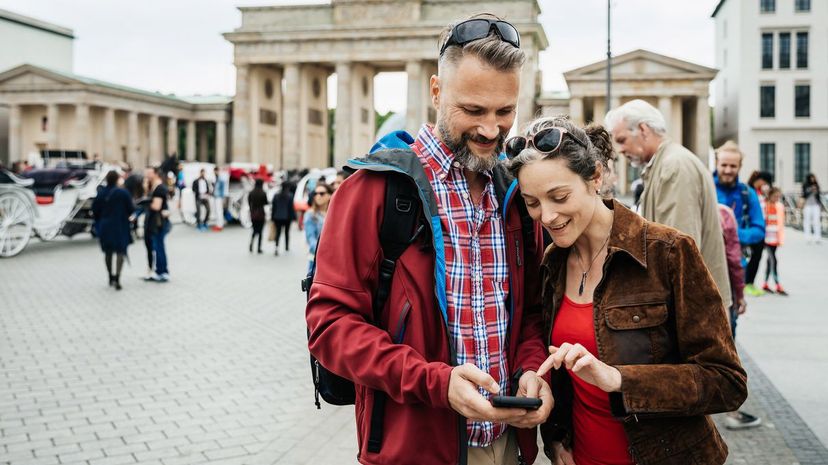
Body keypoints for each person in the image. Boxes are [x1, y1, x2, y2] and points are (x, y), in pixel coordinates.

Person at [306, 15, 551, 465]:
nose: (491, 130)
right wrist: (433, 381)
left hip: (507, 445)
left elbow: (530, 314)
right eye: (473, 111)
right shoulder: (373, 190)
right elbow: (329, 326)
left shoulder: (516, 194)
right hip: (415, 446)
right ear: (436, 92)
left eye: (505, 112)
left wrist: (532, 371)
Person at [505, 116, 747, 465]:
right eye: (532, 202)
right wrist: (556, 440)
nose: (547, 215)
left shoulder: (669, 252)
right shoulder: (552, 263)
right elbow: (557, 372)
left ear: (596, 177)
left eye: (559, 196)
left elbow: (727, 381)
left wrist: (618, 379)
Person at [605, 99, 732, 311]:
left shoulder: (674, 167)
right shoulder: (670, 163)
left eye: (622, 139)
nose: (620, 150)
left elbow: (678, 252)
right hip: (693, 303)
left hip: (693, 307)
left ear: (643, 130)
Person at [713, 141, 766, 297]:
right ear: (717, 163)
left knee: (731, 317)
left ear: (740, 167)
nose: (728, 170)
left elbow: (759, 229)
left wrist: (733, 235)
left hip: (734, 267)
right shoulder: (704, 187)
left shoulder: (747, 193)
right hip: (706, 264)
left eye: (733, 166)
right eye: (724, 165)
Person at [92, 170, 135, 290]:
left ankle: (110, 276)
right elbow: (131, 209)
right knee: (120, 252)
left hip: (105, 226)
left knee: (108, 252)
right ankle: (118, 277)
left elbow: (95, 210)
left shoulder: (101, 193)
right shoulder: (123, 193)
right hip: (120, 226)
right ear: (117, 179)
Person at [144, 166, 171, 282]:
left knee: (158, 246)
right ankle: (160, 271)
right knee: (158, 246)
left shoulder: (159, 188)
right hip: (158, 221)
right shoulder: (155, 187)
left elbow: (156, 206)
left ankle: (163, 272)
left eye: (149, 173)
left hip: (159, 222)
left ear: (155, 174)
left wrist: (144, 203)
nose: (146, 175)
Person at [763, 187, 787, 295]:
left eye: (778, 197)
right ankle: (778, 284)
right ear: (770, 195)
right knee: (774, 260)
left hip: (775, 238)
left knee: (769, 261)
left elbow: (780, 223)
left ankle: (765, 283)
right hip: (767, 238)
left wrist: (780, 238)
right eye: (775, 196)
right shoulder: (765, 206)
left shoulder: (779, 206)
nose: (777, 198)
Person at [302, 182, 331, 273]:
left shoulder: (334, 213)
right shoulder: (310, 215)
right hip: (316, 258)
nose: (318, 196)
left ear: (329, 195)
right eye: (315, 194)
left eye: (322, 193)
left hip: (334, 259)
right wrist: (324, 253)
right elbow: (310, 238)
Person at [271, 181, 296, 255]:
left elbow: (274, 207)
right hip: (287, 217)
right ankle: (286, 247)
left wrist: (272, 217)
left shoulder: (276, 195)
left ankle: (276, 246)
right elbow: (291, 208)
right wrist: (293, 217)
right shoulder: (290, 195)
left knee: (278, 233)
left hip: (277, 217)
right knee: (287, 232)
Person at [247, 178, 268, 254]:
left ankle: (251, 244)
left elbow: (249, 202)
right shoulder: (263, 193)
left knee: (254, 230)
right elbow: (266, 202)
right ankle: (259, 248)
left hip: (253, 213)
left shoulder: (251, 193)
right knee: (260, 231)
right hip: (261, 213)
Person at [801, 173, 823, 244]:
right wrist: (811, 190)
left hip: (816, 205)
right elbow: (804, 195)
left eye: (814, 178)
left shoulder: (816, 185)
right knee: (807, 221)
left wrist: (820, 205)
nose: (813, 179)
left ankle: (817, 237)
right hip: (807, 205)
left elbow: (819, 196)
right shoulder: (805, 185)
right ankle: (808, 237)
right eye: (811, 178)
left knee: (817, 221)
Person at [212, 166, 228, 231]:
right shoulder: (216, 178)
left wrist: (223, 197)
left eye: (216, 171)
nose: (215, 172)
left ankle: (220, 225)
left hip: (219, 197)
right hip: (216, 196)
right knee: (217, 211)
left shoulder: (221, 179)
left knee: (219, 211)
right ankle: (218, 224)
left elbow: (223, 189)